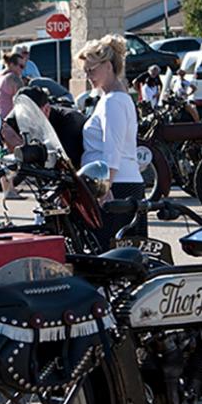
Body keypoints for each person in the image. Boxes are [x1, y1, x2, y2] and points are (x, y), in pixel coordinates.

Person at [78, 34, 146, 246]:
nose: (88, 76)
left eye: (92, 70)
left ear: (108, 66)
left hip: (116, 185)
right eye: (86, 71)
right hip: (121, 182)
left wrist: (104, 188)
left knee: (109, 254)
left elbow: (112, 148)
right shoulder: (116, 97)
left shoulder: (112, 101)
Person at [4, 86, 87, 168]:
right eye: (21, 114)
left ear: (46, 109)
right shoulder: (21, 118)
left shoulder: (69, 121)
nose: (25, 120)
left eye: (30, 114)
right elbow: (5, 127)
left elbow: (66, 162)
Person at [0, 51, 25, 118]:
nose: (23, 70)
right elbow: (22, 100)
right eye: (21, 66)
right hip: (7, 119)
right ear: (12, 64)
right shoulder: (14, 78)